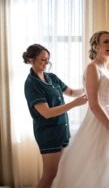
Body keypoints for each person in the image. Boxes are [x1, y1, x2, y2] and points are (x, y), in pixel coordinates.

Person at [52, 31, 109, 188]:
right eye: (106, 42)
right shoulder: (92, 68)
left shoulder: (103, 67)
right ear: (96, 46)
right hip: (99, 122)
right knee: (97, 165)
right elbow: (94, 104)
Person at [22, 44, 88, 188]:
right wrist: (75, 104)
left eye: (48, 60)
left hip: (61, 130)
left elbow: (70, 92)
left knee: (59, 172)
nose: (46, 63)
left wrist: (89, 87)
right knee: (49, 175)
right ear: (31, 59)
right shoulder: (31, 84)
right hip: (48, 134)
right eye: (42, 60)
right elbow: (46, 113)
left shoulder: (51, 77)